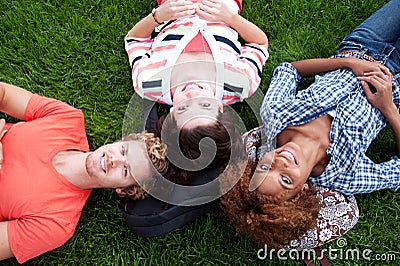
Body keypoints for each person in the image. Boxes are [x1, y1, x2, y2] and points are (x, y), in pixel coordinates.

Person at [221, 0, 399, 249]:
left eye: (265, 167)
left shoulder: (275, 116)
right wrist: (388, 107)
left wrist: (349, 63)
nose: (280, 161)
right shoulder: (345, 175)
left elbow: (288, 71)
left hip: (360, 45)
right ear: (303, 191)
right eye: (285, 180)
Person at [0, 81, 168, 263]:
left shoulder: (57, 223)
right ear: (119, 141)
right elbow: (4, 95)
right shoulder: (67, 119)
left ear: (122, 190)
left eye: (126, 170)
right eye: (123, 151)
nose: (115, 160)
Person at [124, 0, 268, 171]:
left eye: (183, 108)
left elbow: (135, 39)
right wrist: (231, 18)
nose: (192, 93)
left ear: (171, 114)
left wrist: (158, 16)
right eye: (205, 105)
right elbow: (259, 44)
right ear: (220, 108)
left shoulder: (148, 81)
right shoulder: (240, 83)